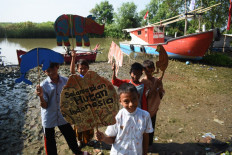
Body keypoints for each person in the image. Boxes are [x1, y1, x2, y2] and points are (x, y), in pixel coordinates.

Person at [36, 62, 87, 155]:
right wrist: (41, 96)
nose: (51, 72)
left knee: (71, 136)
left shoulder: (66, 81)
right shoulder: (43, 85)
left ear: (57, 66)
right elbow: (45, 106)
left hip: (63, 115)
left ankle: (78, 152)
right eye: (48, 70)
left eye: (53, 68)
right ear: (44, 72)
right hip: (49, 116)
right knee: (49, 141)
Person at [95, 83, 153, 155]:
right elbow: (112, 140)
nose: (131, 104)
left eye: (134, 99)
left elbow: (145, 137)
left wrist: (145, 153)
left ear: (138, 96)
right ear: (120, 101)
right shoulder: (116, 117)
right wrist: (103, 138)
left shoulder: (145, 116)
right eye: (126, 101)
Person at [70, 51, 94, 147]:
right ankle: (79, 140)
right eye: (80, 69)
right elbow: (71, 72)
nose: (82, 70)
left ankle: (88, 139)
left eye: (84, 68)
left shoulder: (91, 79)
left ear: (88, 69)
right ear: (77, 69)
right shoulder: (76, 78)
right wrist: (73, 57)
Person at [141, 60, 165, 148]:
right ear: (143, 71)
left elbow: (161, 94)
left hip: (154, 109)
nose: (149, 73)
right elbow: (147, 95)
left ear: (154, 69)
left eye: (151, 71)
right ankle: (143, 144)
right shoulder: (142, 82)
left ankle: (149, 144)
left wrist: (159, 86)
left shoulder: (157, 80)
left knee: (151, 127)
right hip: (144, 109)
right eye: (147, 71)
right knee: (144, 128)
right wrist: (155, 86)